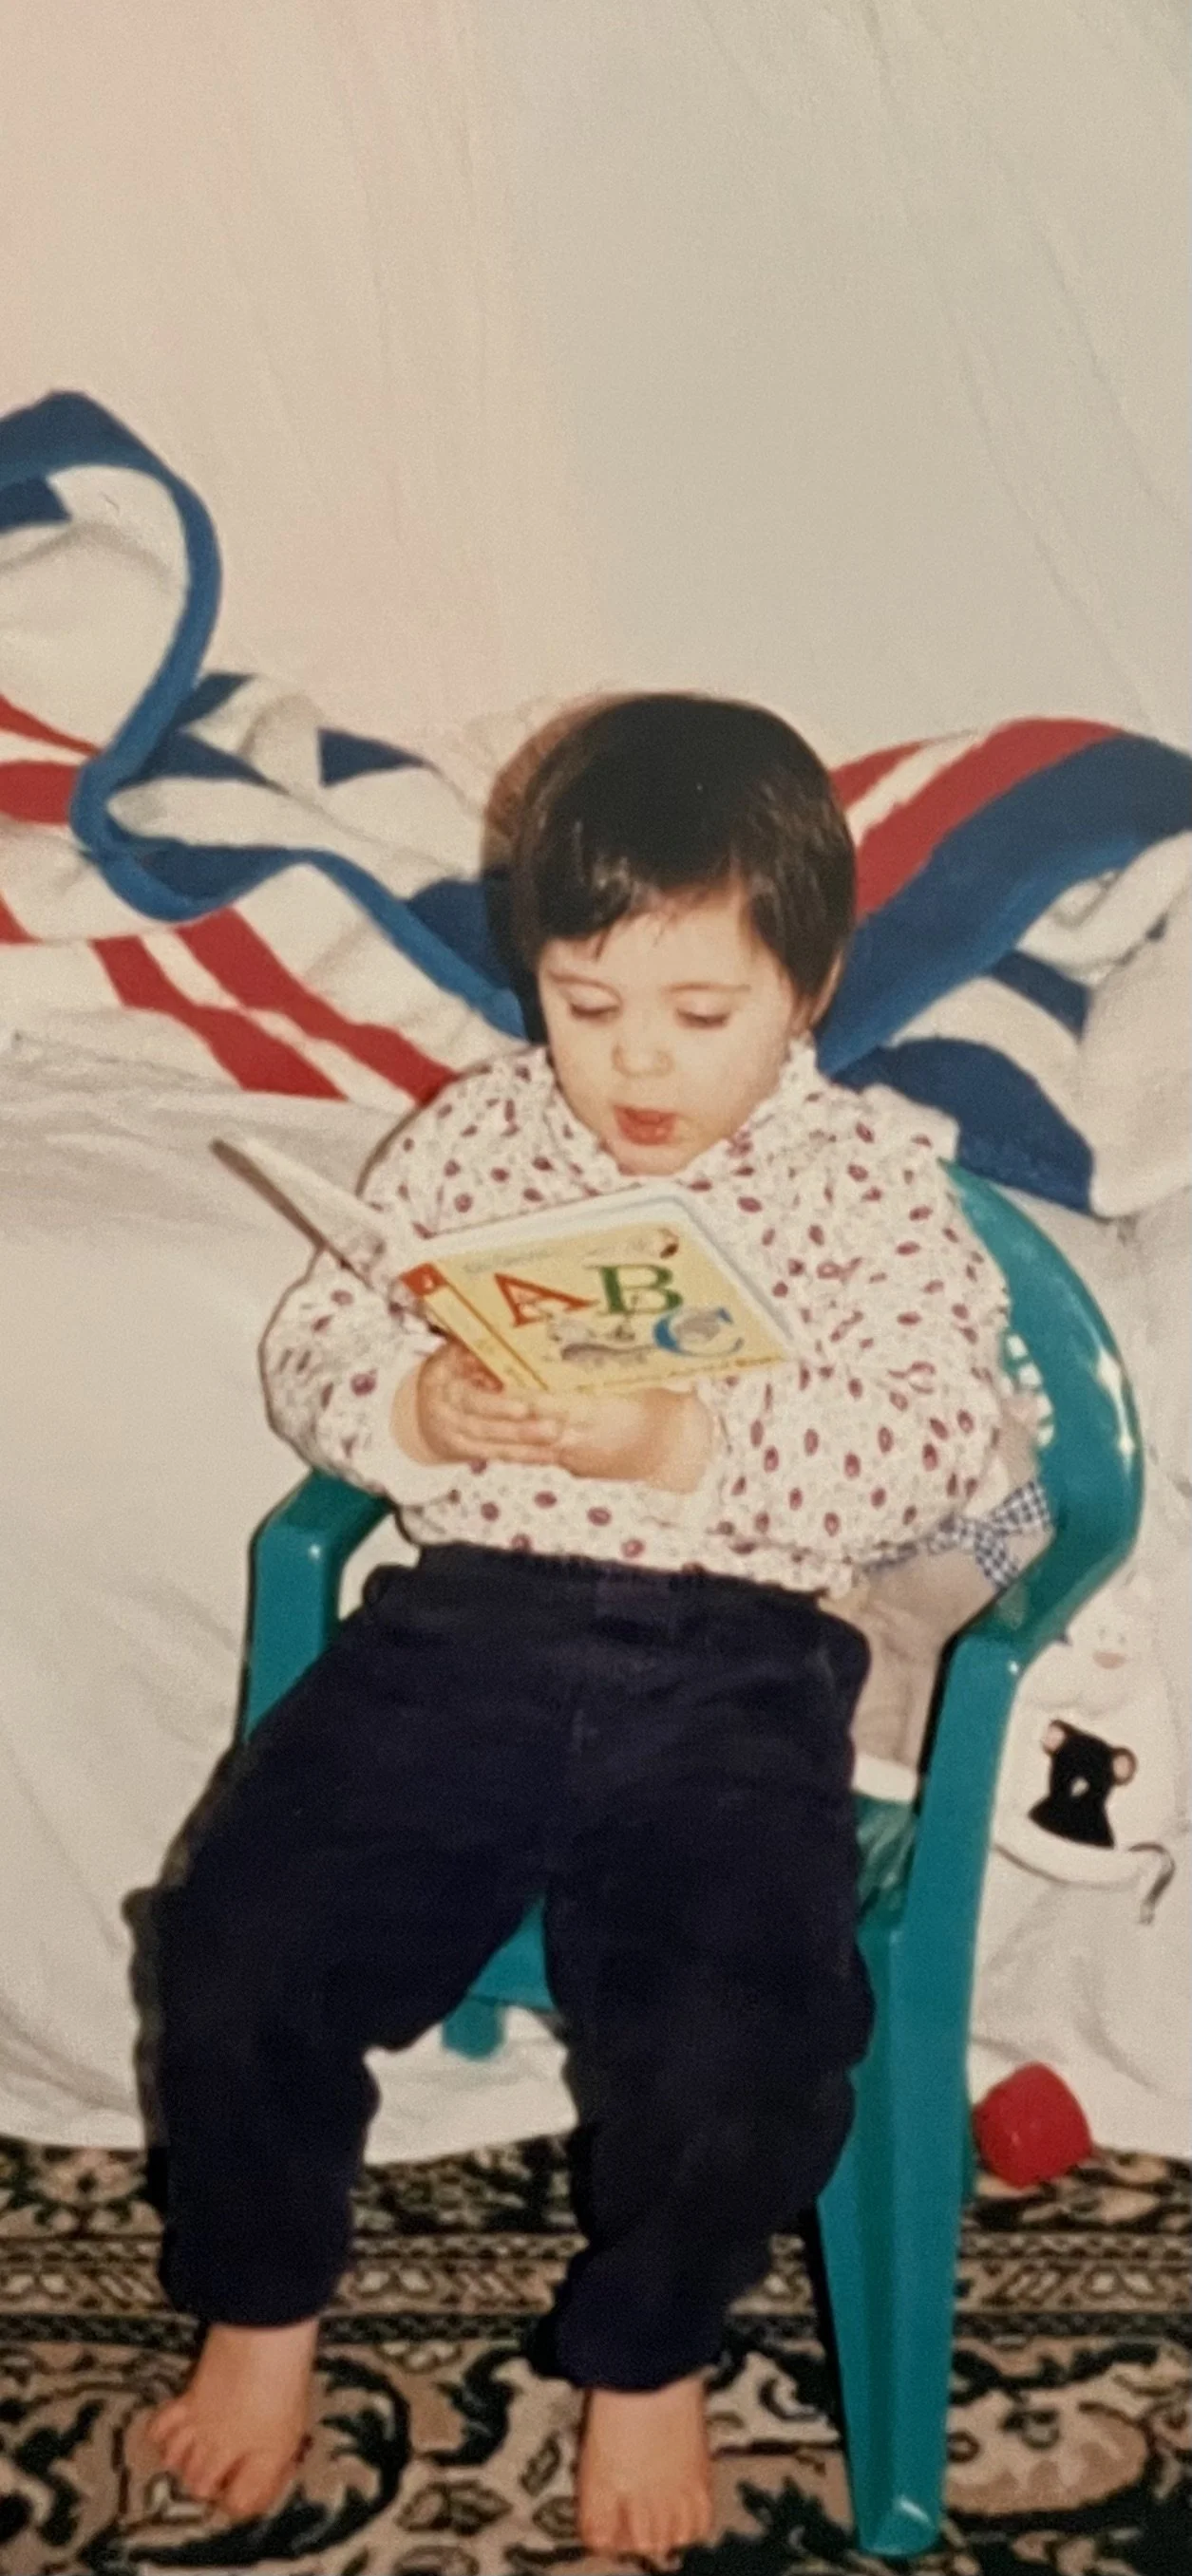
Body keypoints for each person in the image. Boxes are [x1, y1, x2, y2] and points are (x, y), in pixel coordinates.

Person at [145, 694, 1012, 2561]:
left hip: (737, 1662)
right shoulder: (475, 1138)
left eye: (701, 1016)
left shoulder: (863, 1181)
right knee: (235, 1944)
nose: (636, 1062)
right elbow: (321, 1345)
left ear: (811, 984)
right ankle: (265, 2300)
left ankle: (649, 2352)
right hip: (470, 1630)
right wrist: (415, 1412)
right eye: (584, 999)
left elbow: (953, 1442)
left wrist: (684, 1439)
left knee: (746, 2044)